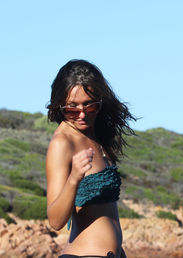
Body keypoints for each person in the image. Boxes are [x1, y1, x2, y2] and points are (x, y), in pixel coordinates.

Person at [46, 59, 135, 258]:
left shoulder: (93, 136)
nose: (82, 114)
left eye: (89, 106)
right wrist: (74, 178)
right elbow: (55, 221)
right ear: (60, 105)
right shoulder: (62, 143)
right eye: (72, 108)